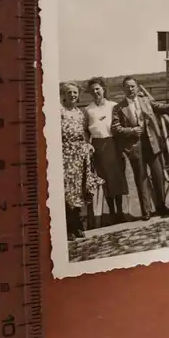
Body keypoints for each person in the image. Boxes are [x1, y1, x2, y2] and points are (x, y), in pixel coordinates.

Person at [111, 76, 169, 221]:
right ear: (123, 89)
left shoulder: (145, 101)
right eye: (127, 87)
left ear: (137, 87)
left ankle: (161, 207)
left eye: (132, 86)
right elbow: (115, 128)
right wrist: (131, 131)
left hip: (152, 143)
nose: (130, 89)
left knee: (158, 175)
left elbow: (160, 108)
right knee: (141, 178)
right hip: (135, 146)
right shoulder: (118, 108)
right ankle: (146, 210)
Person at [61, 82, 104, 240]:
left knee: (79, 189)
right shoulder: (60, 111)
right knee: (67, 190)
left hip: (79, 155)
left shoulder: (80, 113)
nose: (72, 95)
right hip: (65, 154)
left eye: (75, 92)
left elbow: (84, 133)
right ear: (63, 95)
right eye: (69, 92)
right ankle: (69, 228)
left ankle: (78, 226)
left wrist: (87, 145)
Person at [84, 77, 129, 224]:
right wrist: (88, 144)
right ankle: (112, 212)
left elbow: (121, 125)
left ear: (103, 89)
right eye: (92, 90)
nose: (95, 92)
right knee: (105, 180)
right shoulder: (88, 110)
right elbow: (86, 131)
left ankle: (121, 211)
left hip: (113, 144)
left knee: (117, 179)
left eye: (98, 88)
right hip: (98, 146)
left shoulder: (113, 106)